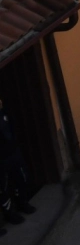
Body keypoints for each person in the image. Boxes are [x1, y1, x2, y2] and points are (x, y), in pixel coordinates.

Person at [0, 98, 32, 229]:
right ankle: (9, 214)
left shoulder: (5, 113)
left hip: (13, 152)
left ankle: (22, 203)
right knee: (3, 188)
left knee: (22, 178)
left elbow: (12, 128)